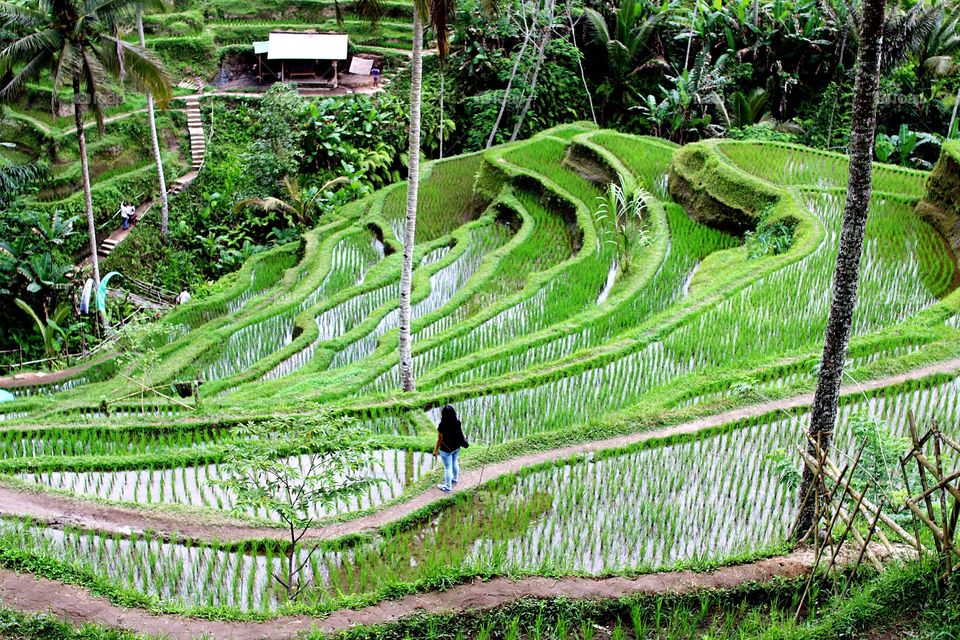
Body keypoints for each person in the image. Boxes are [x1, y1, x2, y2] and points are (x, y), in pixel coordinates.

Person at [433, 404, 468, 492]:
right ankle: (455, 479)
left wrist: (435, 451)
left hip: (446, 450)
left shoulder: (442, 425)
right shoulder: (457, 422)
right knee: (455, 462)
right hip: (456, 447)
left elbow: (440, 439)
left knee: (448, 468)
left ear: (443, 414)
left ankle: (448, 487)